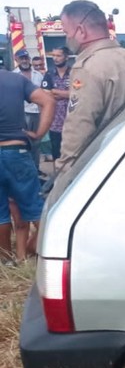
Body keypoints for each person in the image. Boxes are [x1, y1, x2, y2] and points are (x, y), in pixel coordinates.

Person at [56, 0, 125, 171]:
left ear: (80, 31)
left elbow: (79, 128)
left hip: (105, 167)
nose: (67, 39)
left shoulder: (87, 68)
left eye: (67, 33)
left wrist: (65, 172)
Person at [0, 70, 54, 262]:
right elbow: (48, 101)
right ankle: (52, 253)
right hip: (16, 150)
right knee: (35, 206)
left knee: (1, 213)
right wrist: (39, 133)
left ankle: (6, 261)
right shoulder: (15, 79)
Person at [12, 50, 43, 169]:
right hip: (22, 112)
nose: (24, 60)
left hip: (37, 112)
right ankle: (26, 168)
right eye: (21, 58)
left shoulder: (38, 74)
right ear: (17, 60)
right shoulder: (14, 75)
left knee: (37, 141)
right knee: (23, 141)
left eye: (26, 58)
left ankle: (36, 168)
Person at [40, 47, 71, 162]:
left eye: (59, 56)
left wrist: (56, 91)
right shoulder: (49, 74)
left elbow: (79, 94)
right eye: (54, 56)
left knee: (72, 156)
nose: (55, 58)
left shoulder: (74, 73)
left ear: (66, 57)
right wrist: (67, 93)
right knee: (56, 156)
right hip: (55, 124)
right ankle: (58, 179)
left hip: (72, 122)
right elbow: (45, 95)